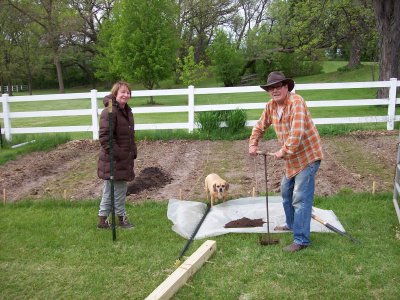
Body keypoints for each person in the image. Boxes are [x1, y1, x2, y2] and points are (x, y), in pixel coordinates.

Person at [249, 71, 323, 253]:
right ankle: (292, 225)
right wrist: (253, 143)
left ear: (286, 87)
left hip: (307, 157)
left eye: (278, 86)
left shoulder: (296, 102)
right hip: (291, 161)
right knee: (285, 193)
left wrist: (283, 151)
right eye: (271, 88)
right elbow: (260, 125)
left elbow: (296, 134)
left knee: (300, 199)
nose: (275, 91)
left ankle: (301, 240)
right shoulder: (271, 106)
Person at [97, 81, 137, 229]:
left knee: (112, 189)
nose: (126, 95)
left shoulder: (125, 110)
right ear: (115, 93)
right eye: (123, 92)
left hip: (124, 158)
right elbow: (105, 137)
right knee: (118, 190)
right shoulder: (110, 111)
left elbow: (129, 135)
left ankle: (103, 220)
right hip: (114, 159)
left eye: (128, 92)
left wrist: (132, 151)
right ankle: (121, 218)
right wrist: (119, 154)